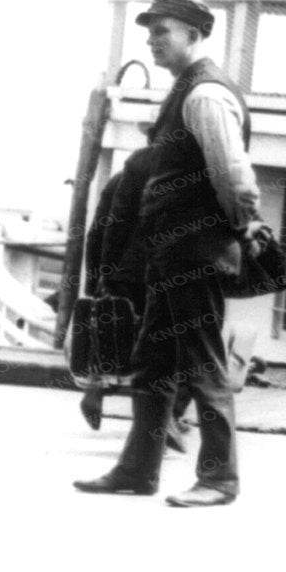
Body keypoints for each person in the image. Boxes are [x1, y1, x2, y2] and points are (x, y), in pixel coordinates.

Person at [73, 0, 263, 508]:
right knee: (152, 362)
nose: (153, 39)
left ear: (195, 35)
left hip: (195, 253)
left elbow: (234, 176)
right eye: (150, 32)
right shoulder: (186, 91)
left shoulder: (204, 95)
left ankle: (220, 479)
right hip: (171, 253)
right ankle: (138, 469)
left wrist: (244, 229)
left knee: (203, 364)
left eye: (164, 31)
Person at [77, 134, 193, 451]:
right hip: (164, 272)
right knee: (172, 347)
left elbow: (100, 230)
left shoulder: (127, 173)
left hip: (125, 272)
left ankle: (97, 390)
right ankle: (169, 414)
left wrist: (99, 279)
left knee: (119, 342)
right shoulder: (185, 170)